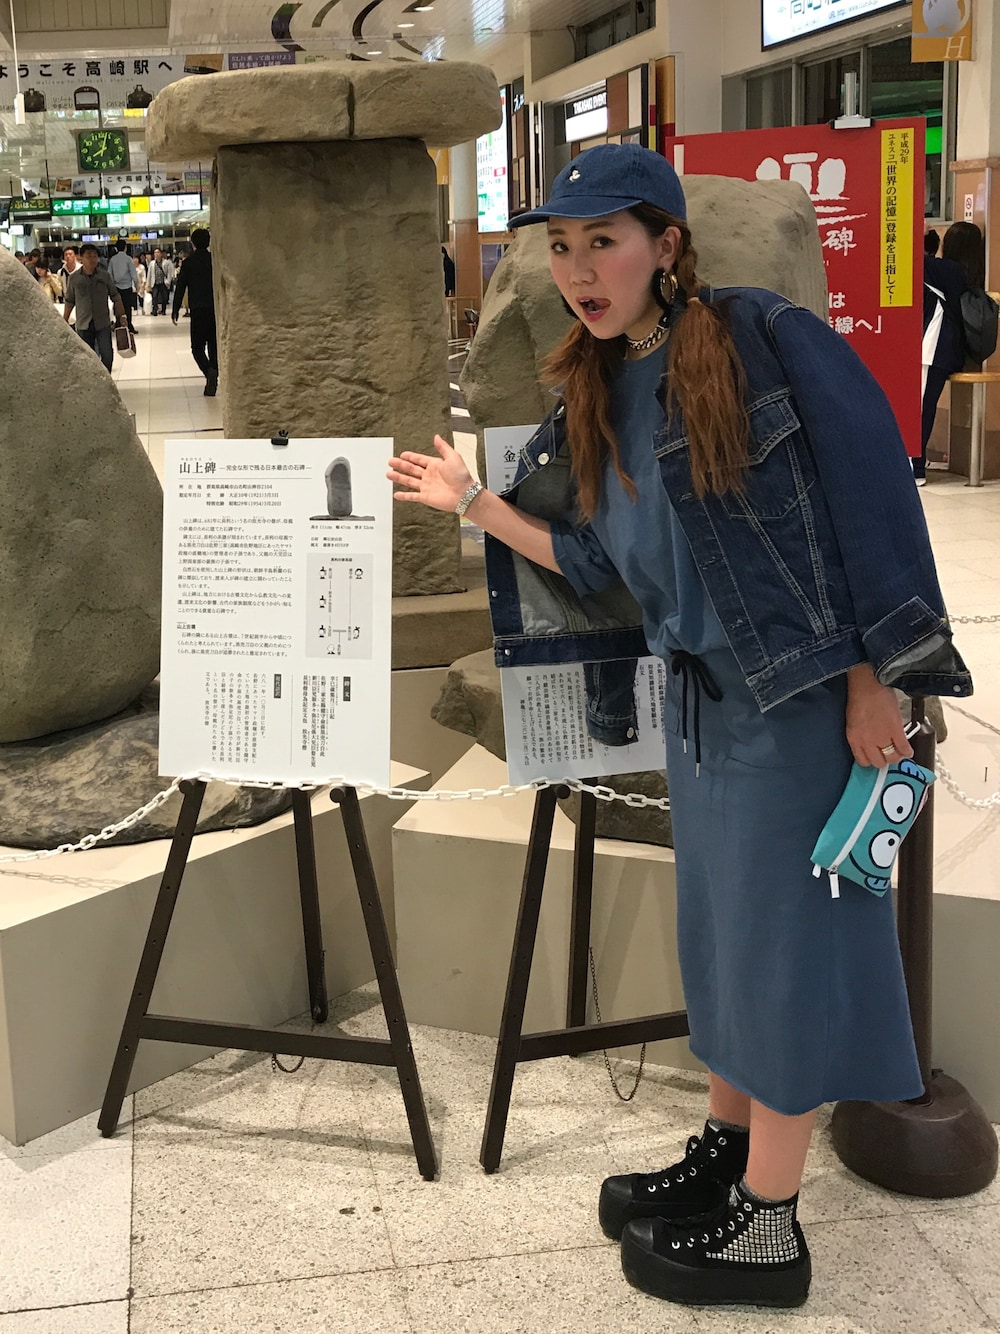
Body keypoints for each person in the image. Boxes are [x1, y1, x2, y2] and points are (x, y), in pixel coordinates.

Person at [387, 144, 972, 1312]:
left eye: (602, 242)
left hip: (799, 701)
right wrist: (478, 504)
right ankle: (726, 1151)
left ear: (664, 244)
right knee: (723, 945)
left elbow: (867, 492)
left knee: (786, 954)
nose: (578, 269)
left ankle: (769, 1222)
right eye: (561, 247)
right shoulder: (599, 386)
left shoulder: (758, 338)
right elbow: (595, 564)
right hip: (700, 707)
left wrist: (876, 679)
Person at [919, 232, 966, 484]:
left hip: (933, 348)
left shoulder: (937, 269)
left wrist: (918, 229)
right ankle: (917, 461)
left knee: (921, 407)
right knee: (925, 406)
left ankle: (916, 466)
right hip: (946, 350)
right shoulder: (960, 272)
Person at [62, 242, 128, 371]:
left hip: (102, 322)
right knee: (86, 357)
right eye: (88, 256)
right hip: (83, 324)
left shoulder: (104, 276)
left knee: (107, 354)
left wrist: (122, 316)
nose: (92, 259)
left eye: (94, 256)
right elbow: (69, 301)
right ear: (81, 258)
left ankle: (106, 378)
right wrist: (64, 320)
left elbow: (115, 296)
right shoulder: (74, 278)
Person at [171, 229, 218, 395]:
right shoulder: (214, 261)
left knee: (197, 348)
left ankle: (209, 372)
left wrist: (175, 309)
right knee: (214, 346)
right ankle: (214, 375)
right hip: (214, 309)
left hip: (197, 310)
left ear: (193, 243)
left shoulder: (189, 263)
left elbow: (180, 287)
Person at [108, 239, 140, 334]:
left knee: (117, 306)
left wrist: (111, 286)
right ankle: (129, 325)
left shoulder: (112, 259)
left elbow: (109, 274)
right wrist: (137, 284)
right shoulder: (128, 259)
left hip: (116, 287)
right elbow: (133, 273)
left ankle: (118, 324)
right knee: (127, 308)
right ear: (125, 247)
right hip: (127, 287)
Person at [147, 247, 173, 315]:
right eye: (155, 253)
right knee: (154, 296)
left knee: (164, 297)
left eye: (158, 252)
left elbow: (169, 273)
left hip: (163, 282)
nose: (156, 254)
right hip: (155, 282)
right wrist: (148, 284)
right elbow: (149, 274)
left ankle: (163, 310)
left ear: (161, 254)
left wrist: (168, 281)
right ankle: (155, 310)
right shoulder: (152, 263)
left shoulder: (166, 262)